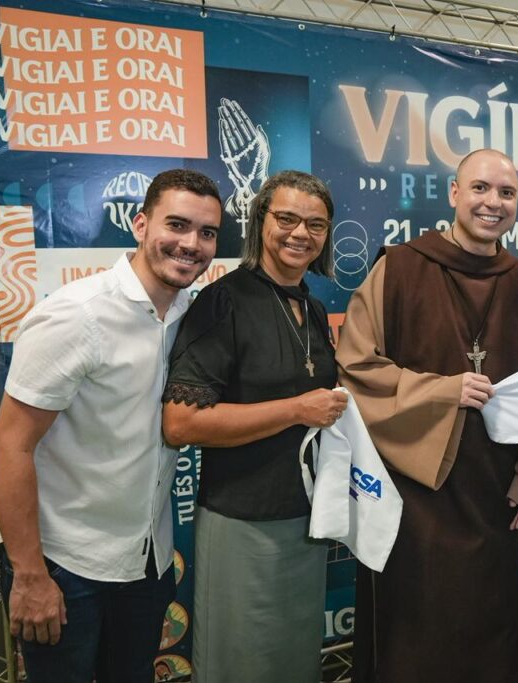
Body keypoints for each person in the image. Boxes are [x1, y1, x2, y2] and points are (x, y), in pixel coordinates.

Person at [0, 169, 222, 683]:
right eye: (177, 225)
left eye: (207, 233)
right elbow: (9, 447)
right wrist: (30, 575)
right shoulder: (77, 315)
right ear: (140, 224)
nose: (191, 244)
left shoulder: (195, 315)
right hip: (64, 566)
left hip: (147, 562)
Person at [336, 148, 518, 682]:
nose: (493, 202)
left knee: (493, 634)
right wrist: (443, 391)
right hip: (416, 492)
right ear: (453, 193)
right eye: (480, 188)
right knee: (417, 636)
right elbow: (356, 367)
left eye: (507, 193)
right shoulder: (399, 268)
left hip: (496, 491)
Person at [162, 171, 348, 682]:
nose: (300, 233)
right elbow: (181, 424)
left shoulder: (312, 307)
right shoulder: (223, 301)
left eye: (315, 224)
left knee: (294, 664)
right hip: (241, 522)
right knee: (240, 665)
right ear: (260, 221)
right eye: (286, 218)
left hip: (306, 522)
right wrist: (295, 409)